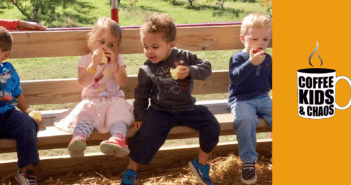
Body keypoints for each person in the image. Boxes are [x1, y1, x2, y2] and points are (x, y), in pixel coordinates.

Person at [120, 13, 220, 185]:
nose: (149, 51)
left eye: (155, 46)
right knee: (145, 135)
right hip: (160, 111)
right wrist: (139, 115)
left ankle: (200, 164)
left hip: (186, 108)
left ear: (170, 45)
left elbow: (206, 68)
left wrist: (190, 70)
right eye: (145, 46)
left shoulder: (184, 57)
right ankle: (131, 171)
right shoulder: (147, 68)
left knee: (212, 126)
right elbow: (141, 93)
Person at [54, 17, 134, 158]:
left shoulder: (118, 58)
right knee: (84, 117)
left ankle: (117, 138)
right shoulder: (85, 60)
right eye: (102, 42)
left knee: (119, 117)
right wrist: (93, 65)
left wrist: (115, 63)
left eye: (111, 44)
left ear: (117, 46)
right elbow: (83, 82)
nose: (106, 48)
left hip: (113, 100)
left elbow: (122, 81)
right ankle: (78, 138)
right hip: (92, 101)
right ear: (92, 41)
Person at [228, 13, 272, 184]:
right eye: (254, 39)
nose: (260, 43)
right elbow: (235, 78)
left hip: (263, 98)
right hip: (241, 99)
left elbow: (269, 82)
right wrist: (251, 63)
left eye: (265, 40)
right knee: (245, 120)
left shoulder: (268, 59)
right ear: (243, 38)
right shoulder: (238, 58)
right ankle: (248, 162)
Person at [0, 26, 43, 185]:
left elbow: (17, 93)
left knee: (27, 124)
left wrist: (28, 110)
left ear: (5, 55)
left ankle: (25, 172)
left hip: (6, 116)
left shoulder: (8, 71)